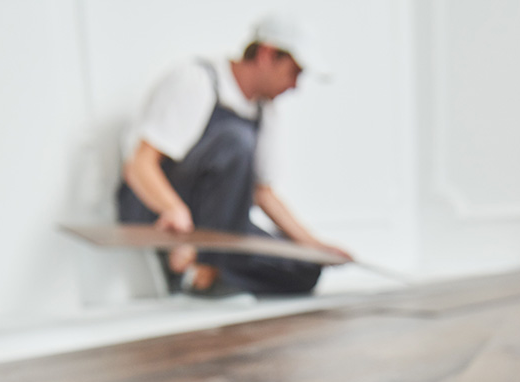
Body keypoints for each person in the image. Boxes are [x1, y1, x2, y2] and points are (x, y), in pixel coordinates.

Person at [117, 14, 351, 296]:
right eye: (294, 71)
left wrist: (314, 246)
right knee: (235, 141)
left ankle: (205, 270)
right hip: (156, 208)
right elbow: (139, 165)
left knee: (304, 269)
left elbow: (262, 192)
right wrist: (173, 210)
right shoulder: (197, 79)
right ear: (267, 54)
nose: (295, 85)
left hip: (222, 223)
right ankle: (205, 271)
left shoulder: (265, 109)